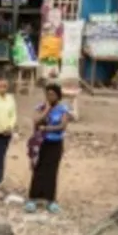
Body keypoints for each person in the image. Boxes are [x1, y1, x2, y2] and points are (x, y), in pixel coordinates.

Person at [25, 84, 70, 214]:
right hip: (41, 143)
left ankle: (50, 200)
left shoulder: (63, 109)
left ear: (58, 96)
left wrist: (47, 128)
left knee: (52, 171)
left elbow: (62, 126)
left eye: (53, 94)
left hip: (55, 144)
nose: (50, 97)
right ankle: (33, 198)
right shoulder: (41, 107)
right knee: (38, 169)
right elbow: (36, 121)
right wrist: (46, 110)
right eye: (48, 94)